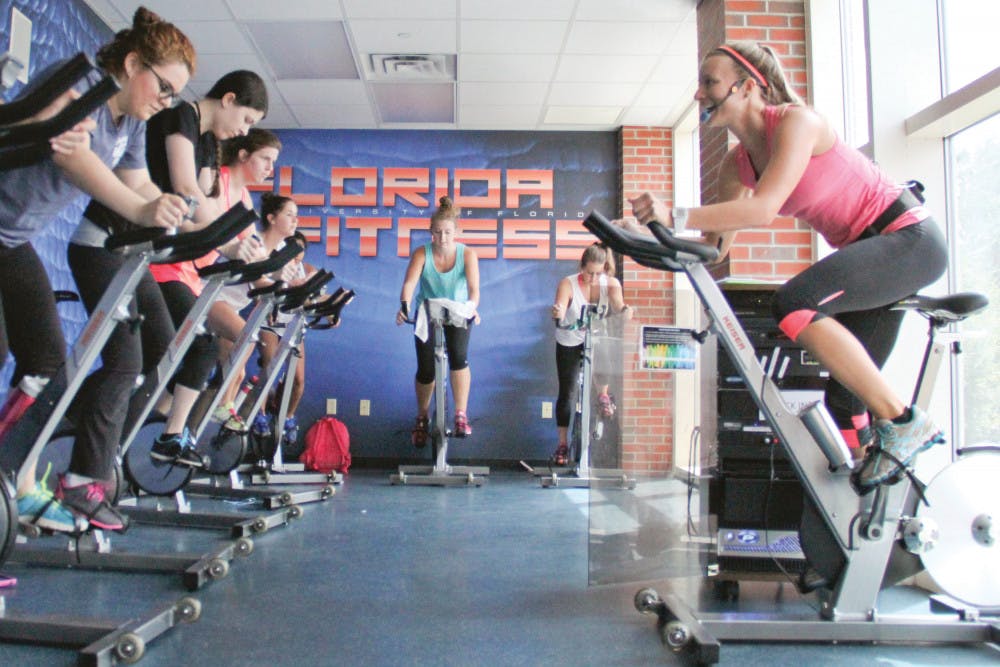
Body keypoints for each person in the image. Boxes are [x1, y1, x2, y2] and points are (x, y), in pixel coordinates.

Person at [625, 41, 948, 490]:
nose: (699, 94)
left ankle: (904, 422)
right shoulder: (735, 165)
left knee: (796, 302)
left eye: (709, 83)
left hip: (908, 240)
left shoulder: (799, 123)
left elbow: (763, 210)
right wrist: (644, 237)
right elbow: (714, 248)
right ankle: (873, 496)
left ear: (746, 87)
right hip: (871, 255)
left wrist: (674, 214)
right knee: (843, 401)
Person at [0, 6, 194, 533]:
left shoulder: (130, 123)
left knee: (45, 361)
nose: (166, 101)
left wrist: (170, 209)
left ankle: (15, 482)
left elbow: (138, 183)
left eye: (174, 96)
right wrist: (141, 211)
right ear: (132, 64)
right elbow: (74, 158)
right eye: (164, 87)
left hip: (11, 239)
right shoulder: (81, 82)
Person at [140, 69, 269, 465]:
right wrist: (227, 241)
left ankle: (158, 433)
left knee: (192, 354)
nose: (245, 131)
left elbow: (207, 210)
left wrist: (231, 243)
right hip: (154, 258)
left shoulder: (209, 142)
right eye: (246, 119)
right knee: (192, 351)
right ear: (228, 99)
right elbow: (187, 190)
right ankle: (158, 433)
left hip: (177, 262)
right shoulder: (182, 117)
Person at [204, 129, 284, 427]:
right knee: (243, 341)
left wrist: (277, 277)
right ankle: (217, 406)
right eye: (265, 159)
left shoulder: (244, 197)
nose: (270, 168)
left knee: (233, 365)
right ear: (243, 155)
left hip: (218, 288)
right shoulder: (217, 182)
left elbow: (254, 252)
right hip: (203, 283)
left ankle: (215, 410)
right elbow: (207, 229)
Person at [395, 196, 481, 446]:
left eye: (447, 232)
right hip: (428, 312)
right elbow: (409, 284)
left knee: (459, 358)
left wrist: (472, 307)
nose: (443, 237)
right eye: (438, 232)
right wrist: (404, 305)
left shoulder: (467, 254)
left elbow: (474, 290)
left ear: (456, 232)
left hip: (457, 311)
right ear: (431, 232)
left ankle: (461, 414)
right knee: (426, 368)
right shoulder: (422, 253)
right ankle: (422, 416)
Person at [550, 244, 632, 465]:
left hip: (596, 338)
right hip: (569, 338)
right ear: (581, 267)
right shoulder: (568, 283)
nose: (593, 278)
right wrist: (558, 311)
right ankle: (562, 444)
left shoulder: (611, 284)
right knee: (567, 392)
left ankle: (603, 396)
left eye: (598, 273)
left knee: (603, 351)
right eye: (589, 273)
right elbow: (561, 305)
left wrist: (625, 311)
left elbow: (618, 305)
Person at [252, 194, 311, 446]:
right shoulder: (265, 249)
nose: (295, 220)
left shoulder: (299, 267)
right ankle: (259, 413)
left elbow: (303, 292)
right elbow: (261, 286)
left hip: (291, 323)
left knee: (298, 381)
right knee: (270, 370)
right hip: (267, 320)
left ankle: (286, 417)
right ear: (272, 218)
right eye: (289, 214)